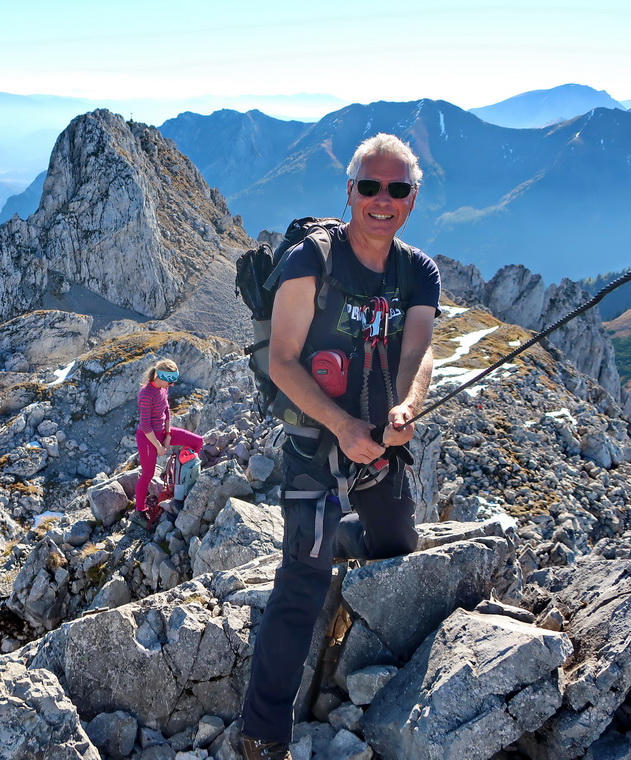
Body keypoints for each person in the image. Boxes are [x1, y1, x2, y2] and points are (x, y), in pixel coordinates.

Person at [239, 134, 440, 759]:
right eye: (370, 186)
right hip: (313, 442)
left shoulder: (417, 271)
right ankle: (261, 734)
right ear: (350, 191)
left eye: (397, 189)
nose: (383, 199)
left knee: (397, 547)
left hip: (379, 442)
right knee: (303, 580)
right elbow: (282, 360)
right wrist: (342, 427)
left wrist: (407, 407)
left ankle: (343, 538)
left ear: (411, 200)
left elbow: (418, 350)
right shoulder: (313, 261)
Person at [134, 359, 203, 523]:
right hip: (148, 438)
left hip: (162, 433)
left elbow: (166, 411)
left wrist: (168, 435)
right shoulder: (146, 394)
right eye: (170, 381)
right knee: (147, 474)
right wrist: (159, 447)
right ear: (161, 377)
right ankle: (140, 510)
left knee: (197, 441)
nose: (172, 385)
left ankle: (186, 478)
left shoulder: (163, 388)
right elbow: (145, 426)